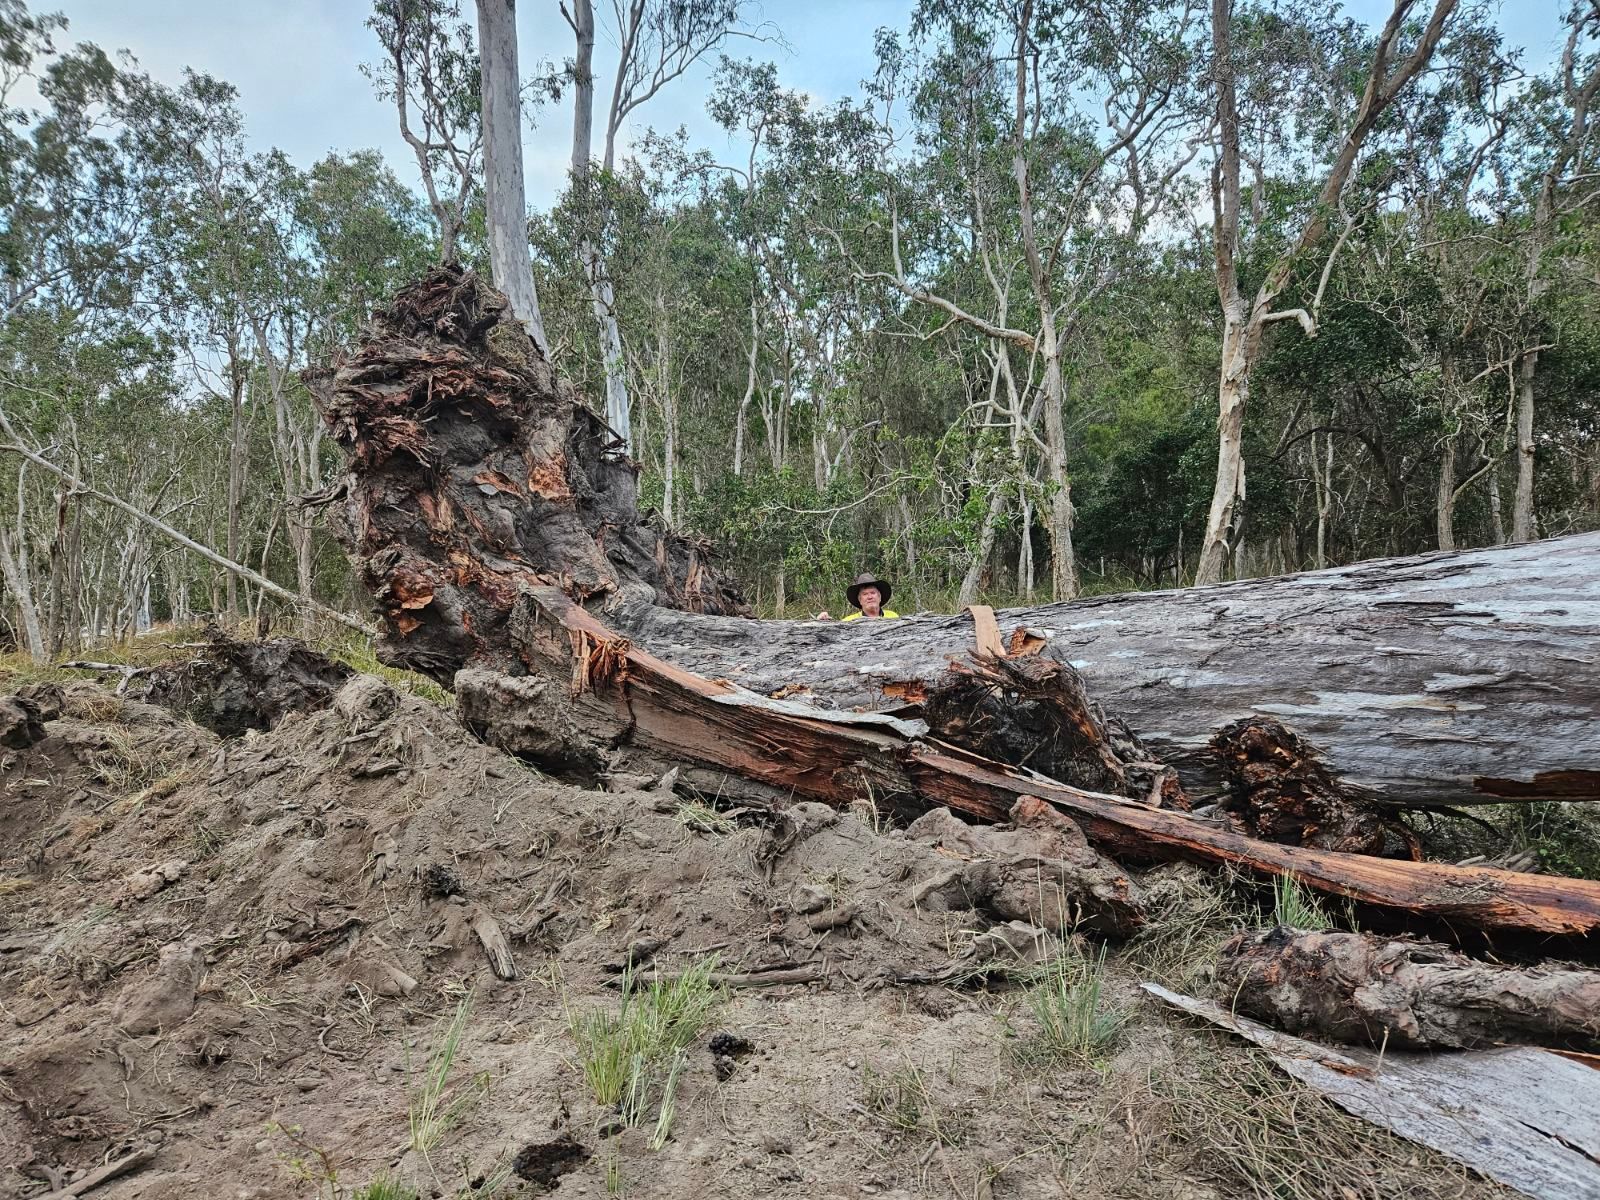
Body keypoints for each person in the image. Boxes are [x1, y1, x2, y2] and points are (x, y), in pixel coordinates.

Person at [817, 572, 900, 621]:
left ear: (880, 596)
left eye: (872, 593)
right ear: (859, 600)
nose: (870, 597)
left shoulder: (893, 617)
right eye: (865, 594)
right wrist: (823, 621)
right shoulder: (849, 621)